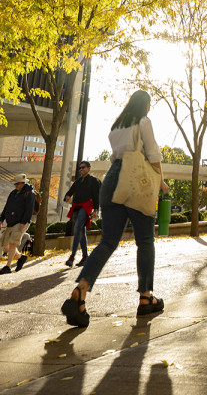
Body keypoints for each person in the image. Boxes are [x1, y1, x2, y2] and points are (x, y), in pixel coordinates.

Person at [63, 91, 169, 327]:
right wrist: (161, 182)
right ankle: (145, 297)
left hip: (111, 179)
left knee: (108, 242)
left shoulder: (116, 126)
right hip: (134, 178)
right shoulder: (144, 121)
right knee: (145, 240)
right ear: (145, 105)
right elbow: (152, 154)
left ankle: (81, 290)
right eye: (150, 104)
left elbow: (117, 156)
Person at [63, 160, 101, 268]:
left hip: (86, 207)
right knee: (81, 231)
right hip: (76, 207)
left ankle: (72, 257)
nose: (81, 169)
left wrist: (95, 210)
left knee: (77, 227)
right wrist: (67, 196)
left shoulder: (93, 181)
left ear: (89, 168)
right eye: (80, 168)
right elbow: (70, 192)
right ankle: (85, 257)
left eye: (83, 167)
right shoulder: (78, 181)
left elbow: (96, 196)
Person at [0, 174, 36, 274]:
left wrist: (24, 222)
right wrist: (1, 219)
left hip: (21, 222)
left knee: (13, 243)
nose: (16, 186)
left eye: (17, 184)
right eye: (15, 184)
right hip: (11, 222)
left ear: (23, 183)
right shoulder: (13, 193)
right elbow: (7, 207)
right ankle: (20, 257)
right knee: (5, 245)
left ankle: (8, 267)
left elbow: (29, 209)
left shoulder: (29, 193)